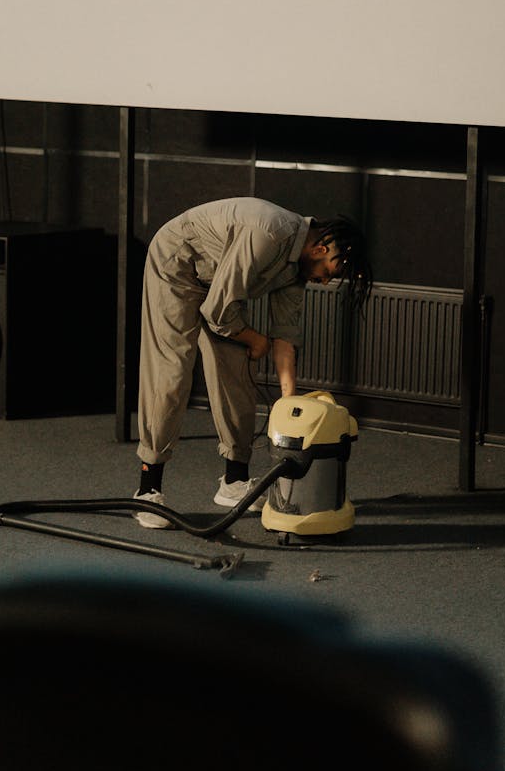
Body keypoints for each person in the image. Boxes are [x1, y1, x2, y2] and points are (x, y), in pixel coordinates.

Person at [133, 196, 373, 527]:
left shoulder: (298, 270)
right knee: (171, 374)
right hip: (176, 266)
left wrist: (291, 412)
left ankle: (234, 481)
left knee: (238, 371)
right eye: (333, 271)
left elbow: (284, 341)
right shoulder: (269, 234)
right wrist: (254, 338)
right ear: (320, 249)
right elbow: (218, 311)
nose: (327, 281)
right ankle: (149, 490)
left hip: (220, 286)